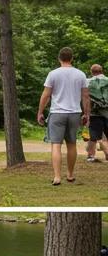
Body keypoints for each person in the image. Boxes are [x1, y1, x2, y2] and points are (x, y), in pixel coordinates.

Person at [37, 47, 90, 185]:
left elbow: (46, 95)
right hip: (74, 113)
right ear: (72, 58)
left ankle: (57, 177)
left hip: (57, 113)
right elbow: (85, 96)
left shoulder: (53, 74)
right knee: (71, 144)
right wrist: (86, 114)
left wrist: (40, 112)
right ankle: (70, 175)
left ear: (59, 58)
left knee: (56, 145)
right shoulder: (81, 74)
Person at [86, 63, 108, 162]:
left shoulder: (88, 82)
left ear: (91, 72)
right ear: (102, 71)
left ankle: (91, 156)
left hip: (94, 113)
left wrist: (85, 113)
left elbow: (86, 98)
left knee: (93, 136)